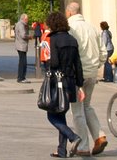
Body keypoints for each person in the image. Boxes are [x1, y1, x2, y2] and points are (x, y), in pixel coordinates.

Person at [41, 10, 86, 158]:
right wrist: (80, 85)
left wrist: (47, 61)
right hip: (70, 81)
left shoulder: (53, 39)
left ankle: (73, 136)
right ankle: (61, 150)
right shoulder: (72, 40)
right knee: (61, 114)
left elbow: (53, 62)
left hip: (57, 81)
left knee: (52, 115)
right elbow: (77, 65)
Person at [65, 2, 107, 157]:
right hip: (92, 73)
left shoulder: (70, 28)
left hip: (78, 74)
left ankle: (83, 145)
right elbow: (103, 51)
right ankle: (99, 136)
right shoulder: (92, 27)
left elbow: (70, 53)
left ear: (69, 13)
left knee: (77, 111)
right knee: (87, 106)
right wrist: (96, 66)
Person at [15, 13, 32, 82]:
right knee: (23, 62)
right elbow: (23, 35)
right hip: (21, 45)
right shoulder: (21, 25)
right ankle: (21, 77)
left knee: (22, 61)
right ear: (23, 19)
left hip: (20, 45)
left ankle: (21, 77)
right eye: (27, 19)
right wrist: (29, 36)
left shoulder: (19, 24)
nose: (27, 20)